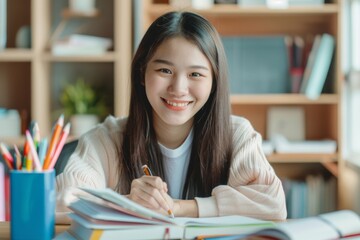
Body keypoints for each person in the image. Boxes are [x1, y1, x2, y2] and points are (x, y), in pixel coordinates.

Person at [56, 11, 287, 223]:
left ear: (214, 82)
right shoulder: (105, 139)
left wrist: (179, 207)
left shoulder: (236, 135)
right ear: (142, 74)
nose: (179, 88)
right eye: (165, 71)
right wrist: (128, 204)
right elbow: (62, 202)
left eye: (195, 74)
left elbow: (273, 204)